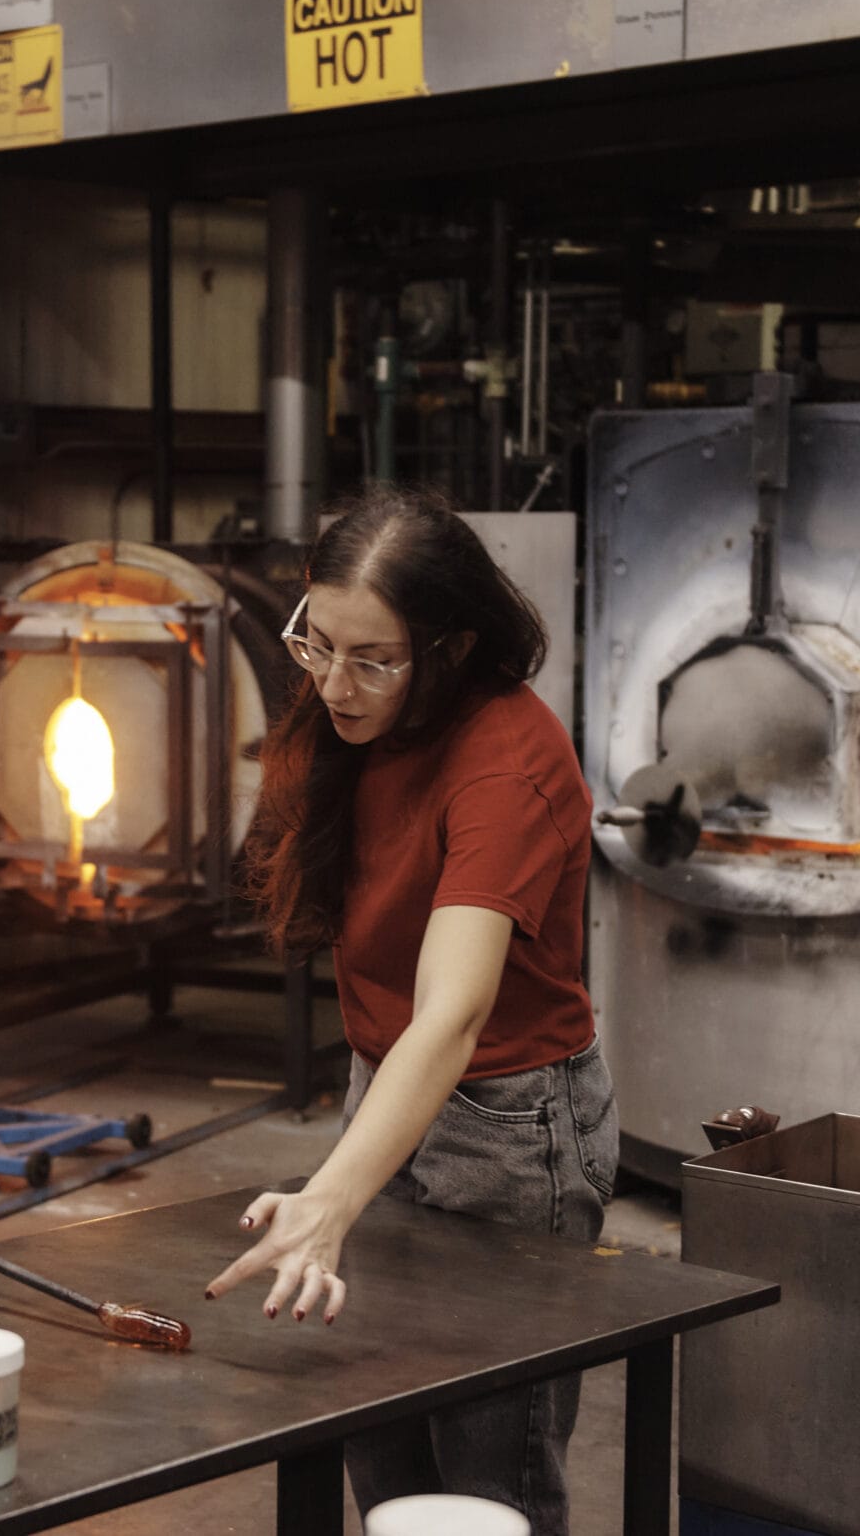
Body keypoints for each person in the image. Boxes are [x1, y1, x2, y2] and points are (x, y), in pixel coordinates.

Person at [205, 484, 615, 1531]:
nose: (336, 684)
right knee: (377, 1429)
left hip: (509, 1122)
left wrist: (329, 1200)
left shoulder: (504, 764)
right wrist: (341, 1185)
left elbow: (453, 1012)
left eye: (372, 659)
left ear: (448, 647)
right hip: (382, 1084)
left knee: (486, 1483)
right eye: (318, 643)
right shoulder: (350, 713)